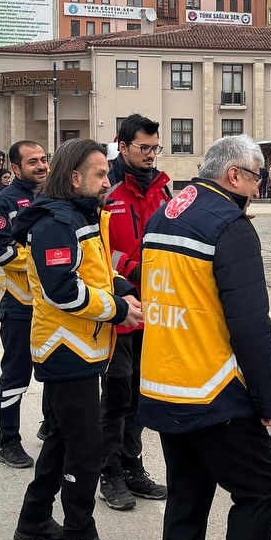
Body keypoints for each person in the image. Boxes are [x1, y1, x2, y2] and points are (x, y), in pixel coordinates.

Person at [139, 134, 271, 540]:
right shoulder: (230, 226)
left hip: (166, 382)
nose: (260, 191)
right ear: (234, 176)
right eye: (258, 179)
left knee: (188, 496)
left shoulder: (167, 214)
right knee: (262, 488)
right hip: (212, 387)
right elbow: (250, 323)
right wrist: (267, 400)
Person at [13, 139, 141, 540]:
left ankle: (33, 519)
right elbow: (62, 289)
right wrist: (118, 309)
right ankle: (80, 539)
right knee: (85, 448)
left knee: (63, 440)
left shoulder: (80, 215)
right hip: (65, 350)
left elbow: (93, 272)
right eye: (101, 174)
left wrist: (121, 287)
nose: (109, 181)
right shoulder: (55, 223)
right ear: (74, 178)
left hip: (82, 348)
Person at [98, 115, 171, 510]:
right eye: (144, 147)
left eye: (155, 147)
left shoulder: (162, 189)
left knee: (142, 396)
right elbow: (93, 250)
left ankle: (132, 466)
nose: (150, 154)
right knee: (116, 396)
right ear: (122, 146)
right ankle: (108, 473)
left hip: (153, 310)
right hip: (119, 311)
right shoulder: (104, 189)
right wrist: (130, 267)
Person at [0, 140, 53, 469]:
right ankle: (8, 440)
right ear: (15, 168)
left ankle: (50, 426)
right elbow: (1, 252)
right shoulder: (3, 203)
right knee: (15, 376)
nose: (41, 166)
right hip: (21, 306)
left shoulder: (57, 198)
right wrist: (45, 259)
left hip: (55, 306)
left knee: (57, 370)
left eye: (44, 160)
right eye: (33, 162)